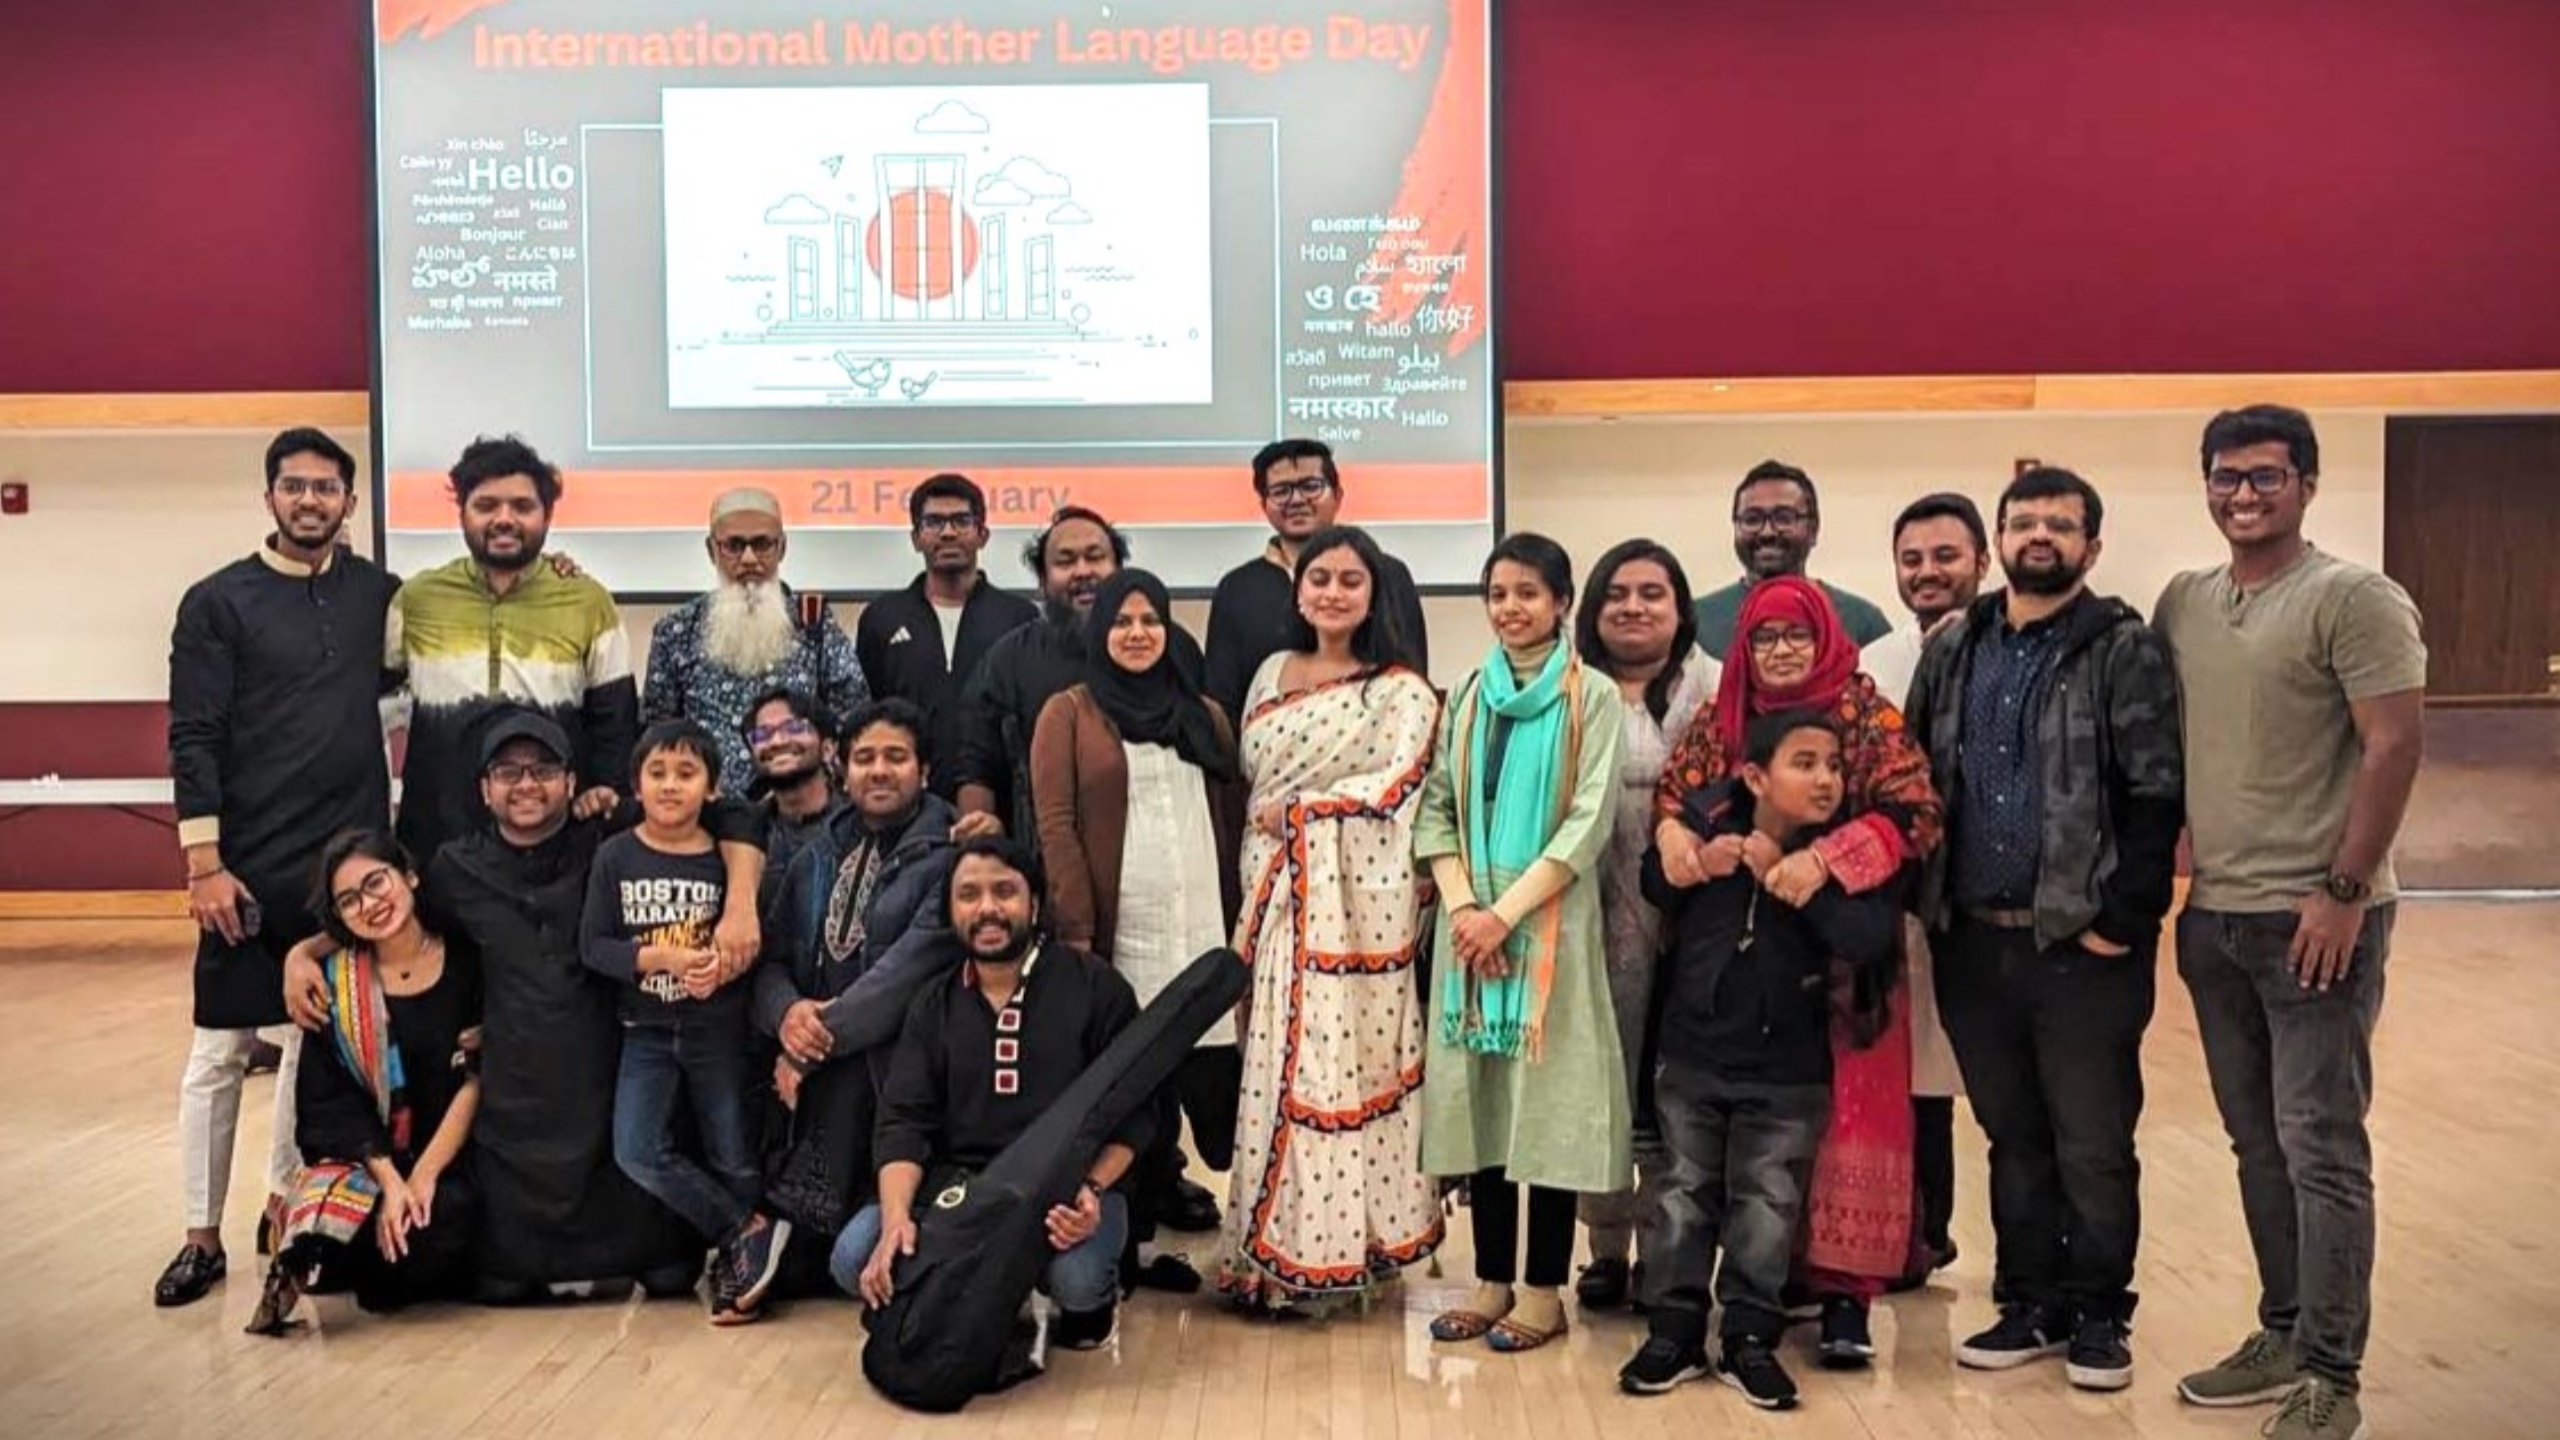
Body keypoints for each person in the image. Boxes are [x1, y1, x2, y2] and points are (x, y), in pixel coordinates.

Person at [282, 710, 770, 1301]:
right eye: (508, 771)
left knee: (667, 1274)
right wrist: (305, 952)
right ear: (485, 790)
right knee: (501, 1289)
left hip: (605, 1084)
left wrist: (741, 903)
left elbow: (733, 812)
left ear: (571, 780)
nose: (526, 783)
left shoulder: (609, 837)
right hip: (515, 1109)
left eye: (542, 768)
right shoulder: (456, 869)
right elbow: (385, 905)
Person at [2156, 405, 2425, 1440]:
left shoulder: (2353, 599)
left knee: (2320, 1144)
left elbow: (2393, 746)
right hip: (2214, 916)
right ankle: (2280, 1328)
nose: (2242, 495)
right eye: (2225, 478)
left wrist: (2344, 894)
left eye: (2265, 478)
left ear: (2307, 484)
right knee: (2254, 1141)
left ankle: (2330, 1372)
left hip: (2317, 921)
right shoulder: (2186, 602)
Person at [1905, 468, 2186, 1391]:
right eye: (2023, 521)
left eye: (2059, 525)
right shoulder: (1957, 645)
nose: (2039, 536)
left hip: (2081, 943)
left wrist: (2124, 920)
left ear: (2089, 548)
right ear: (2001, 537)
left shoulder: (2123, 647)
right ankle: (2029, 1303)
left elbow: (2154, 792)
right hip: (1972, 938)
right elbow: (1914, 775)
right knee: (2012, 1132)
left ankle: (2100, 1313)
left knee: (2093, 1137)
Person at [1654, 575, 1942, 1367]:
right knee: (1748, 1153)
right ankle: (1751, 1293)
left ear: (1826, 638)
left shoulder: (1862, 711)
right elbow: (1678, 800)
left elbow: (1917, 813)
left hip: (1848, 955)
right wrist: (1677, 842)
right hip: (1744, 974)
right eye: (1764, 639)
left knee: (1852, 1132)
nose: (1780, 653)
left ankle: (1845, 1297)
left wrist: (1822, 858)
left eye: (1796, 637)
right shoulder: (1727, 716)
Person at [159, 426, 400, 1310]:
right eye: (294, 487)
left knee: (310, 1043)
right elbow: (193, 734)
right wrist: (203, 863)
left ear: (348, 501)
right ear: (270, 498)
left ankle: (280, 1211)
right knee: (219, 1052)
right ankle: (197, 1237)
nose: (310, 501)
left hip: (340, 869)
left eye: (327, 488)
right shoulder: (216, 603)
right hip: (244, 870)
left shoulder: (379, 594)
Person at [1618, 711, 1903, 1408]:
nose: (1826, 779)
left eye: (1834, 765)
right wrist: (1692, 863)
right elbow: (1655, 880)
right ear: (1754, 774)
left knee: (1768, 1204)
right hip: (1693, 1055)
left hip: (1790, 1070)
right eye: (1804, 763)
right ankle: (1675, 1328)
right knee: (1682, 1197)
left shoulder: (1846, 848)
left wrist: (1799, 884)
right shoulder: (1709, 812)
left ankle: (1749, 1334)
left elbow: (1868, 937)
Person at [1214, 525, 1443, 1315]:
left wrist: (1303, 811)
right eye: (1320, 578)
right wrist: (1279, 826)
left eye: (1351, 579)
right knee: (1274, 1063)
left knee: (1345, 1068)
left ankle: (1350, 1250)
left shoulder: (1400, 689)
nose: (1333, 592)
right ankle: (1264, 1252)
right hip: (1270, 887)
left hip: (1355, 908)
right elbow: (1251, 777)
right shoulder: (1272, 672)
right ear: (1297, 590)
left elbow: (1397, 786)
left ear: (1376, 594)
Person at [1417, 533, 1630, 1355]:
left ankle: (1544, 1290)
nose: (1512, 608)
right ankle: (1491, 1281)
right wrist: (1466, 907)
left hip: (1545, 933)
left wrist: (1503, 916)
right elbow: (1437, 806)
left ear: (1562, 603)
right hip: (1470, 939)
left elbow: (1588, 823)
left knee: (1546, 1114)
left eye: (1529, 593)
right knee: (1482, 1108)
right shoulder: (1469, 693)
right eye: (1499, 593)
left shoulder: (1593, 696)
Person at [838, 838, 1149, 1354]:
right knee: (853, 1259)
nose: (987, 908)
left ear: (1033, 903)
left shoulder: (1096, 988)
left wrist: (1091, 1190)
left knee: (1079, 1282)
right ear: (951, 910)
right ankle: (983, 1294)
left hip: (1065, 1188)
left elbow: (1139, 1113)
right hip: (959, 1189)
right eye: (969, 895)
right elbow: (903, 1124)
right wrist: (896, 1220)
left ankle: (1050, 1291)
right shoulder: (932, 1004)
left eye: (1004, 891)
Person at [1031, 568, 1248, 1291]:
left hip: (1204, 937)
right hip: (1121, 944)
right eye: (1121, 622)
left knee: (1216, 1101)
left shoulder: (1206, 715)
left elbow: (1232, 821)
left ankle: (1242, 1240)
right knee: (1127, 1099)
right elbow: (1056, 826)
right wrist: (1077, 937)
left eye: (1150, 619)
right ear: (1100, 633)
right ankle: (1127, 1253)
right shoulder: (1068, 713)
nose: (1136, 633)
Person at [581, 720, 792, 1325]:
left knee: (733, 1153)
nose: (671, 786)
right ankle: (743, 1230)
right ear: (635, 786)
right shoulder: (614, 855)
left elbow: (756, 941)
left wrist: (720, 969)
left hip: (717, 1031)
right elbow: (594, 946)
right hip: (643, 1031)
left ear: (712, 788)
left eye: (686, 773)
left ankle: (749, 1272)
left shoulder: (729, 860)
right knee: (637, 1148)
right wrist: (659, 959)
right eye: (657, 773)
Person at [754, 698, 962, 1295]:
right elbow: (769, 962)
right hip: (817, 1085)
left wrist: (805, 1048)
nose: (878, 770)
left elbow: (901, 978)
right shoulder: (815, 854)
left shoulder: (948, 859)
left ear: (923, 771)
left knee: (845, 1262)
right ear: (841, 769)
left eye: (895, 757)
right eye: (864, 757)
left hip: (899, 1083)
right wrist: (786, 1013)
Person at [1567, 540, 1720, 1310]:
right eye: (1616, 593)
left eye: (1653, 593)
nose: (1633, 606)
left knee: (1673, 1091)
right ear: (1592, 612)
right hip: (1587, 918)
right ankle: (1602, 1248)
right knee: (1599, 1085)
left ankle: (1672, 1255)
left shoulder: (1716, 690)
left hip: (1690, 925)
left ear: (1680, 607)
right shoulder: (1567, 692)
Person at [247, 832, 482, 1335]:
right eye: (349, 900)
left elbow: (474, 1081)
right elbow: (332, 1104)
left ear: (409, 876)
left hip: (449, 1156)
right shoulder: (333, 982)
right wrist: (393, 1183)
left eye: (376, 883)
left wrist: (421, 1178)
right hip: (370, 1163)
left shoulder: (465, 958)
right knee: (340, 1216)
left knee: (452, 1212)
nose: (370, 904)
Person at [391, 435, 640, 872]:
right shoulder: (416, 599)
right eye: (486, 505)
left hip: (557, 842)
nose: (504, 519)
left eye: (522, 507)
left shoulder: (587, 601)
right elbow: (369, 699)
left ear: (547, 515)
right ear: (462, 512)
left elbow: (615, 722)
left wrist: (606, 798)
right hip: (437, 836)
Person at [1866, 491, 1992, 1288]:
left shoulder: (2007, 648)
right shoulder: (1875, 661)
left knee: (1986, 1080)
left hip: (1988, 900)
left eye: (1945, 557)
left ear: (1982, 561)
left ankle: (2010, 1260)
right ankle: (1915, 1236)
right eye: (1913, 560)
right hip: (1892, 897)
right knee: (1912, 1074)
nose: (1928, 573)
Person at [951, 507, 1205, 844]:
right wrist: (979, 839)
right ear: (1042, 579)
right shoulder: (1009, 660)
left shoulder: (1172, 647)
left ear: (1118, 568)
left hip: (1164, 853)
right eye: (1066, 561)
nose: (1082, 571)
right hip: (1046, 861)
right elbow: (976, 764)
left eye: (1095, 557)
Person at [644, 487, 867, 796]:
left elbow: (852, 713)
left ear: (782, 548)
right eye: (734, 546)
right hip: (708, 813)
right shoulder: (676, 631)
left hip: (800, 807)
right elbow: (659, 730)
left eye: (762, 544)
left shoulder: (813, 622)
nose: (749, 559)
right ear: (712, 550)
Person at [1202, 438, 1431, 722]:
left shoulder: (1389, 575)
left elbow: (1412, 678)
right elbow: (1224, 703)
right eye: (1280, 491)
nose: (1296, 500)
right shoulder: (1236, 589)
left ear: (1338, 495)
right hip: (1269, 759)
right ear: (1264, 504)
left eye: (1310, 486)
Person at [855, 473, 1040, 803]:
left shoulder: (1019, 617)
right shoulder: (881, 618)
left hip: (1001, 807)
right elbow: (870, 712)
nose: (949, 532)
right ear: (915, 538)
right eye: (934, 522)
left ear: (983, 534)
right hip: (907, 808)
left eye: (961, 521)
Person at [1691, 460, 1895, 660]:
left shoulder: (1862, 621)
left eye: (1784, 518)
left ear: (1813, 530)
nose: (1767, 532)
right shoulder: (1695, 622)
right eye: (1752, 520)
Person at [741, 687, 844, 884]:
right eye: (763, 734)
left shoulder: (858, 825)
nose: (777, 741)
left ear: (828, 748)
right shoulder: (745, 833)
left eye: (794, 728)